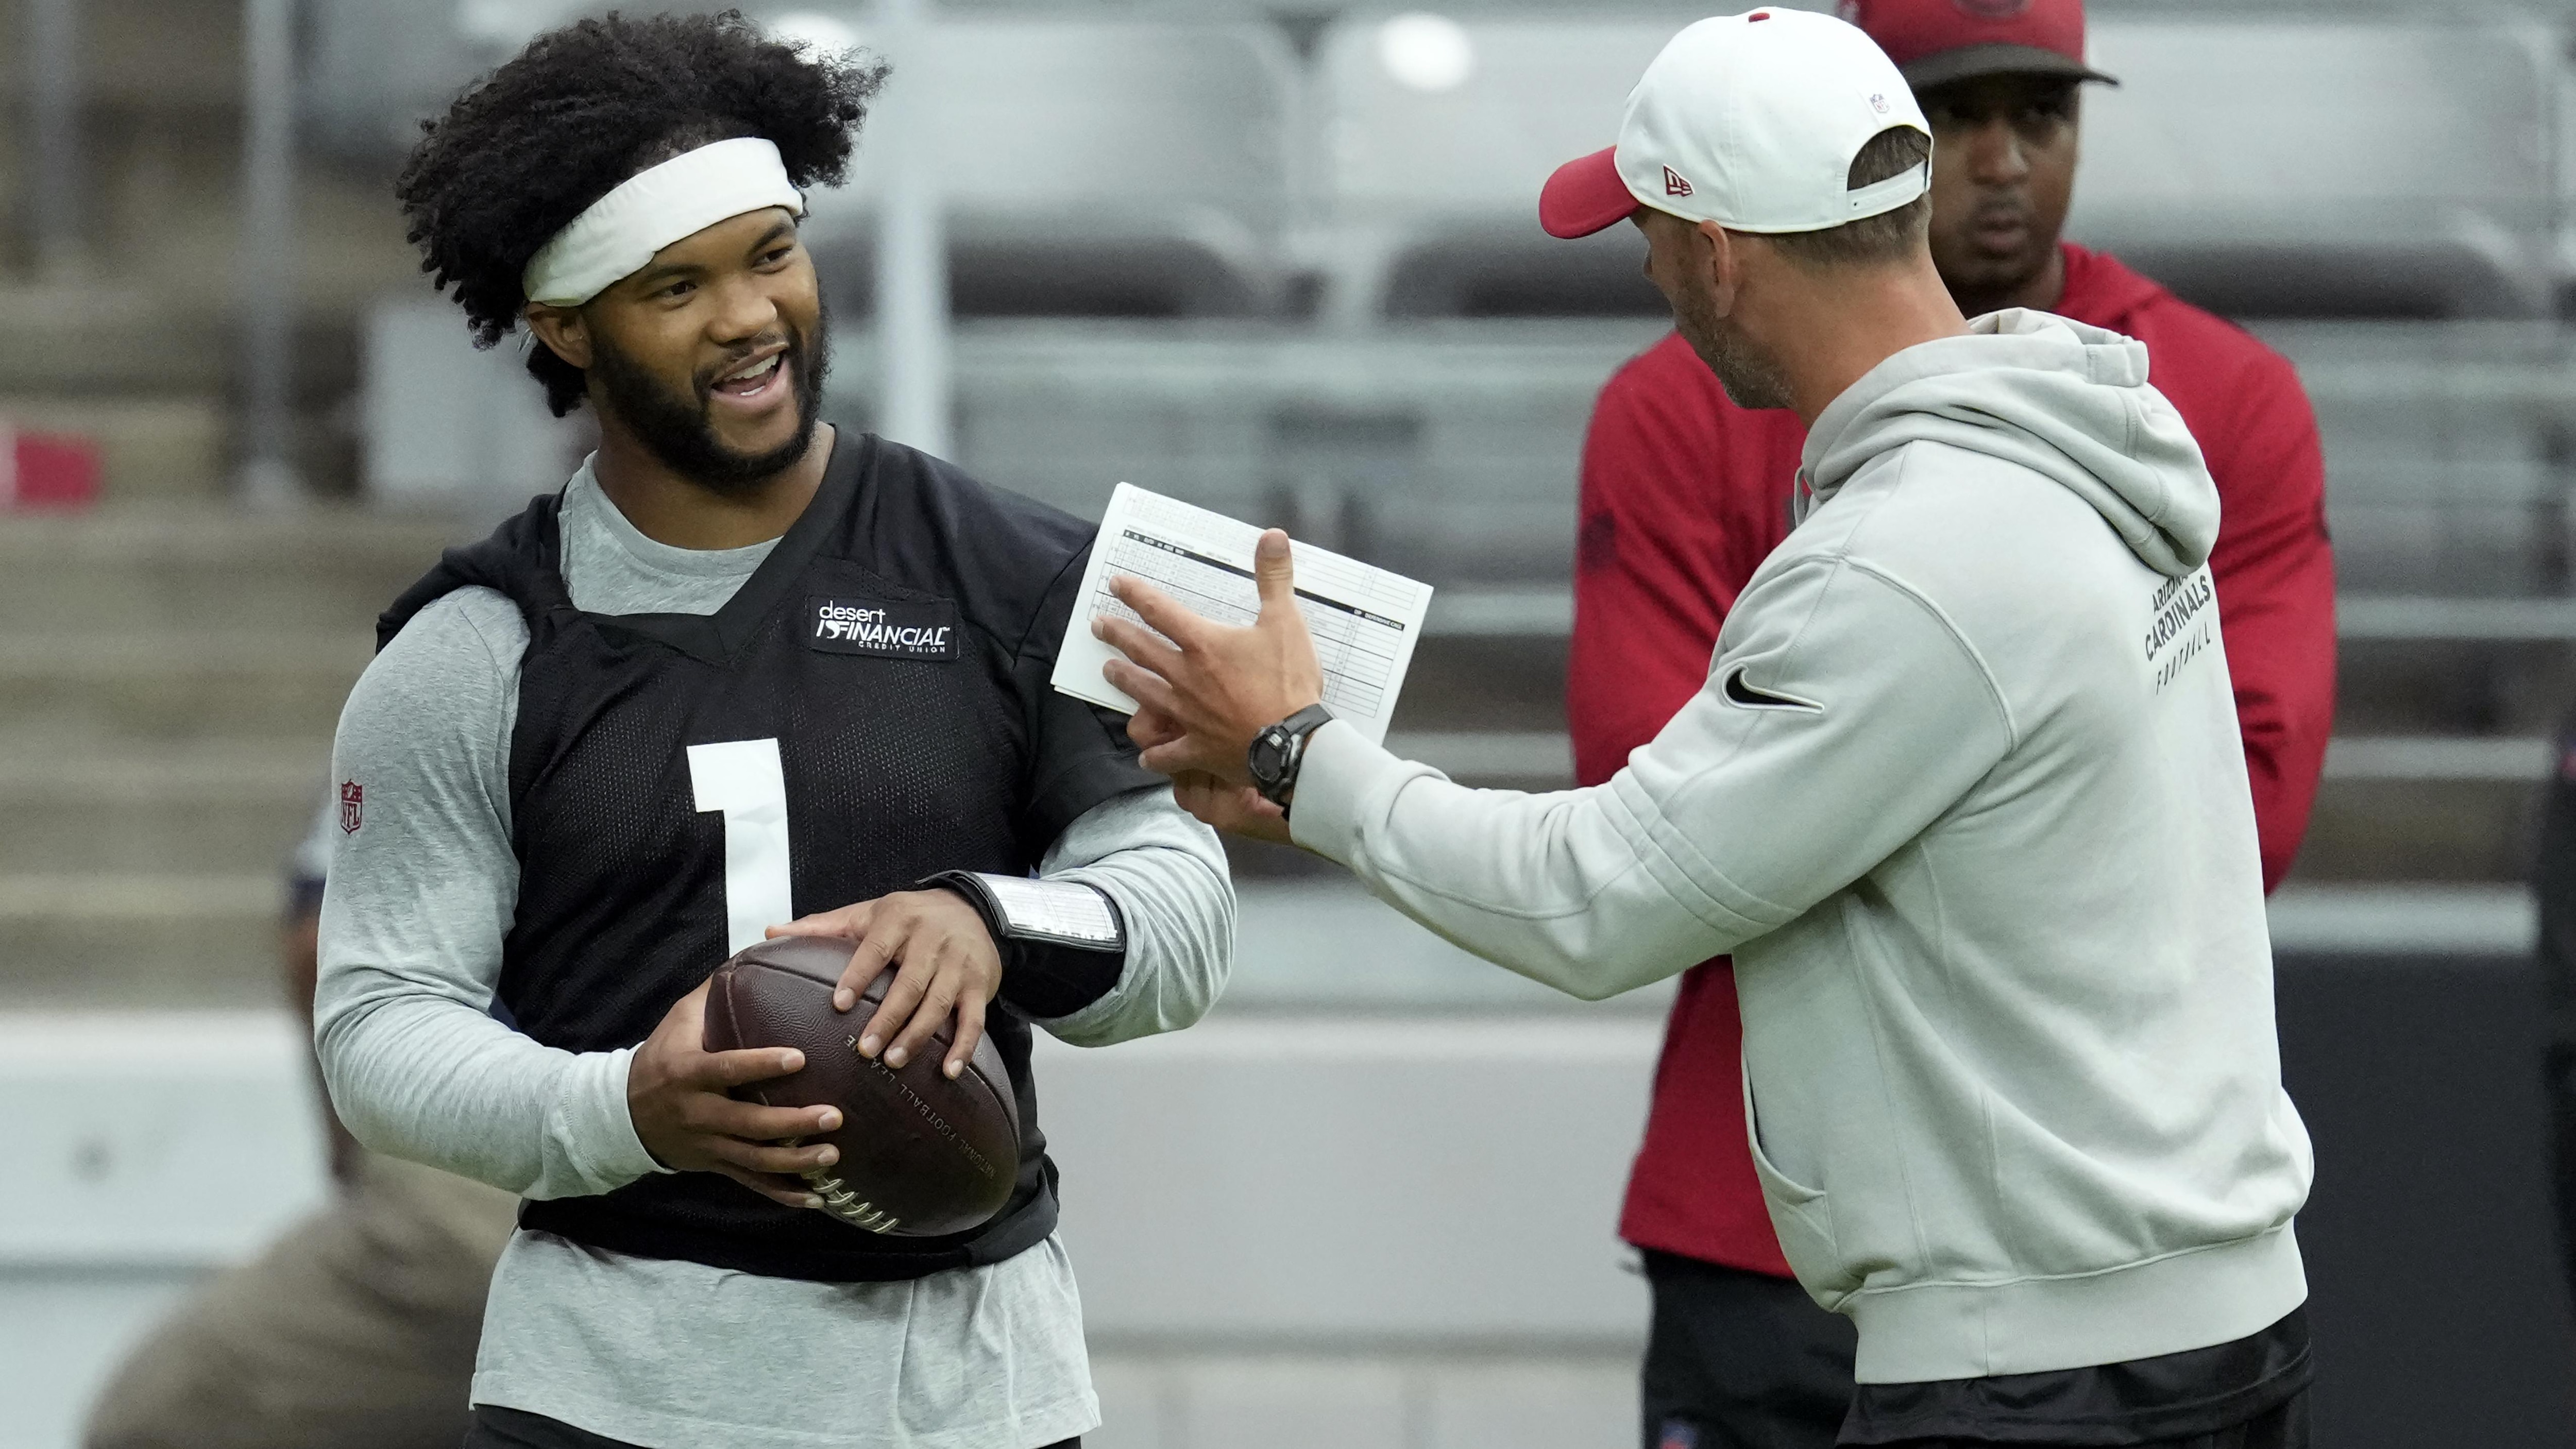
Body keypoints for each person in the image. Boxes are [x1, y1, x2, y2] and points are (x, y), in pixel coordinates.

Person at [1098, 11, 2312, 1448]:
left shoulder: (1904, 559)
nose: (1655, 277)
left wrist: (1303, 756)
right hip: (2206, 1329)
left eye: (1651, 238)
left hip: (2040, 1368)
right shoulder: (2081, 428)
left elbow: (1597, 895)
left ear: (1721, 252)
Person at [313, 15, 1233, 1449]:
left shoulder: (1016, 575)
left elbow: (1179, 924)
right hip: (609, 1384)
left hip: (970, 1383)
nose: (749, 315)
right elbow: (379, 1028)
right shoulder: (471, 649)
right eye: (676, 284)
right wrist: (632, 1103)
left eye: (771, 252)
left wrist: (991, 919)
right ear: (565, 325)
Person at [1564, 2, 2337, 1443]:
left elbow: (2263, 800)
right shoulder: (1678, 399)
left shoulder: (2217, 392)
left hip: (2071, 1259)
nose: (1995, 161)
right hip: (1759, 1227)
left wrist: (1827, 766)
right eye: (1951, 116)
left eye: (2037, 116)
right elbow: (1630, 779)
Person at [83, 796, 518, 1449]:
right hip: (671, 1163)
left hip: (489, 1166)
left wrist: (355, 1148)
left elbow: (323, 936)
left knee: (154, 1418)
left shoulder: (433, 700)